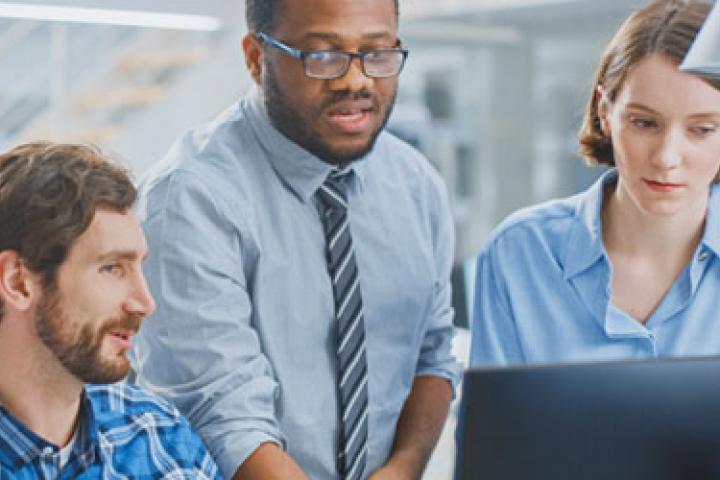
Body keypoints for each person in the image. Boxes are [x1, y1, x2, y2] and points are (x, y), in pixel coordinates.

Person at [131, 0, 461, 478]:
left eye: (377, 53)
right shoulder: (190, 199)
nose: (356, 80)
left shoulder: (415, 184)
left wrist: (404, 468)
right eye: (323, 56)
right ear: (254, 57)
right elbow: (224, 416)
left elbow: (433, 353)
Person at [469, 0, 720, 367]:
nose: (667, 157)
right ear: (605, 112)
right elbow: (493, 423)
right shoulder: (522, 252)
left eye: (702, 129)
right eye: (644, 123)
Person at [0, 143, 221, 479]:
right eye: (112, 268)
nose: (145, 303)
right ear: (18, 282)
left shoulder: (157, 431)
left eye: (138, 268)